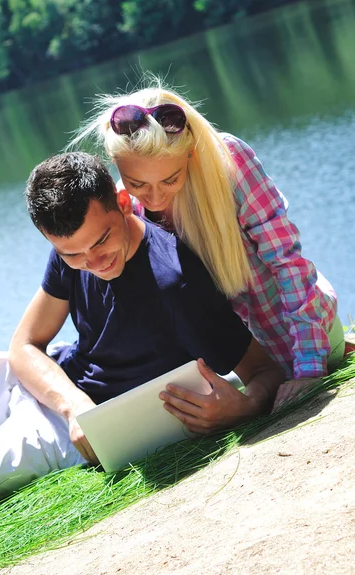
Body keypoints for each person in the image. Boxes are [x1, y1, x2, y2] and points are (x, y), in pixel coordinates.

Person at [0, 152, 284, 505]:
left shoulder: (176, 284)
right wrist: (73, 405)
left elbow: (265, 371)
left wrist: (246, 408)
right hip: (59, 387)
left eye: (101, 241)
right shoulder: (74, 247)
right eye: (72, 255)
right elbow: (24, 345)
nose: (93, 262)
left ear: (124, 203)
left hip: (81, 432)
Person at [71, 78, 346, 409]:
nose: (155, 198)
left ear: (189, 153)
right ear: (116, 164)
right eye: (137, 183)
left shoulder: (230, 161)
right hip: (245, 366)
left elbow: (287, 263)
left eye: (170, 179)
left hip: (304, 340)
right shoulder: (129, 210)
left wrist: (308, 370)